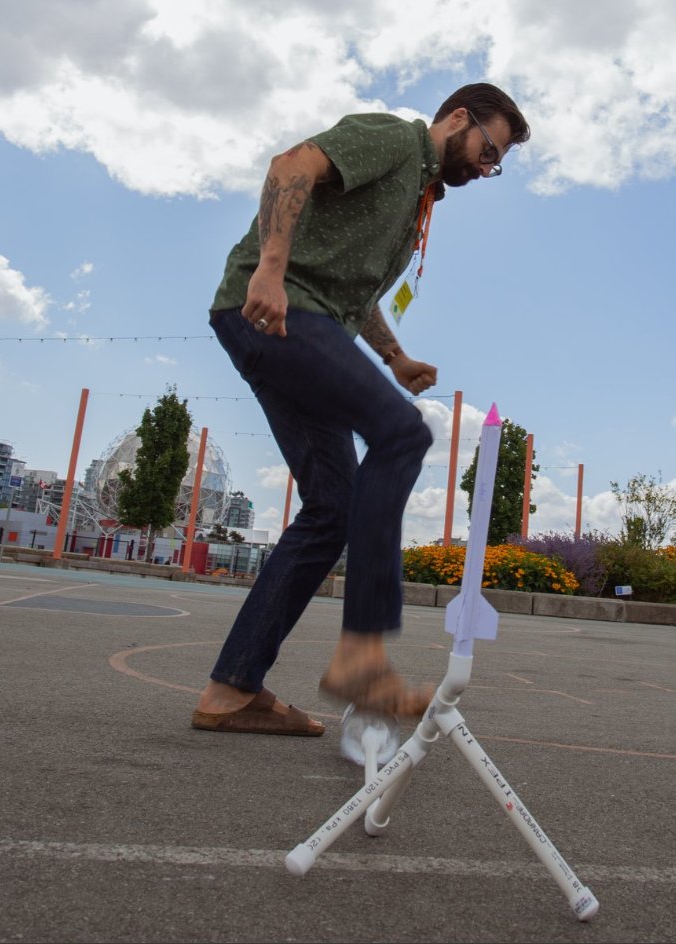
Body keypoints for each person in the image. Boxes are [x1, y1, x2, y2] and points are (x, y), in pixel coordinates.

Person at [191, 82, 530, 736]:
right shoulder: (393, 141)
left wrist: (394, 358)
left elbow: (351, 293)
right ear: (457, 119)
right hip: (273, 309)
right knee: (401, 434)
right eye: (488, 150)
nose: (486, 169)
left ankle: (230, 688)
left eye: (496, 164)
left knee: (333, 507)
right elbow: (291, 165)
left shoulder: (414, 207)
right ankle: (361, 654)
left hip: (302, 322)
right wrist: (269, 266)